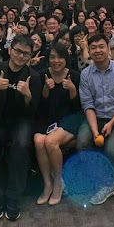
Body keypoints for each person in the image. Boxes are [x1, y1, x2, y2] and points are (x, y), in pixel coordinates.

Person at [0, 35, 41, 221]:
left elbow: (34, 110)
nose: (21, 56)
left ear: (30, 56)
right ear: (10, 50)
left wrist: (28, 96)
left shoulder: (34, 76)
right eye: (18, 51)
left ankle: (13, 197)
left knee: (21, 145)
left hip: (21, 121)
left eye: (26, 54)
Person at [77, 34, 114, 205]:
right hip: (95, 117)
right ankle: (102, 181)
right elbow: (87, 104)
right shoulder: (86, 74)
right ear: (89, 51)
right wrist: (95, 131)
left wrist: (111, 123)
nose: (98, 50)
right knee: (82, 142)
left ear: (108, 49)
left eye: (101, 46)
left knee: (112, 149)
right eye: (93, 47)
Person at [34, 43, 82, 206]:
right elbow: (38, 105)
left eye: (60, 57)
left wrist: (73, 91)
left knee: (50, 141)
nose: (56, 61)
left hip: (70, 118)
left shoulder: (75, 75)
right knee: (39, 141)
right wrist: (45, 91)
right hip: (47, 118)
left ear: (66, 59)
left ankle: (58, 183)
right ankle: (47, 183)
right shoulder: (42, 75)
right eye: (52, 57)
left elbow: (80, 107)